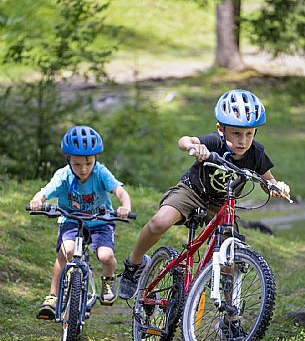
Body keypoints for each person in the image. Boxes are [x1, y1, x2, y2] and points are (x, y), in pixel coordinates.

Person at [118, 89, 290, 312]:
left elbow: (268, 179)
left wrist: (276, 187)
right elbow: (184, 140)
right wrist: (193, 146)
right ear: (221, 129)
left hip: (222, 205)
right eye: (236, 134)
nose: (243, 141)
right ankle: (134, 263)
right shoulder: (214, 142)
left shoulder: (256, 153)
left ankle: (230, 318)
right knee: (159, 222)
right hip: (192, 192)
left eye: (249, 134)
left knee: (230, 255)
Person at [30, 125, 131, 320]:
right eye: (77, 164)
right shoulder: (63, 176)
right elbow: (45, 192)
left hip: (100, 221)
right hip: (72, 220)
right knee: (66, 252)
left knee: (106, 256)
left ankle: (108, 280)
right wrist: (37, 201)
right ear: (69, 160)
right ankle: (52, 297)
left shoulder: (100, 173)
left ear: (95, 160)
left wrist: (125, 205)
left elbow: (119, 191)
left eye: (88, 163)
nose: (83, 169)